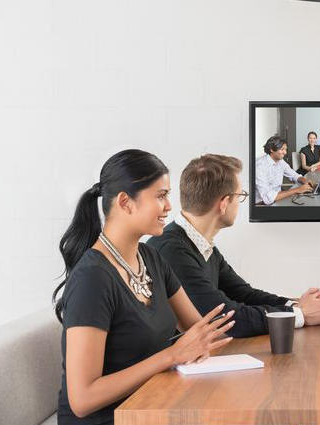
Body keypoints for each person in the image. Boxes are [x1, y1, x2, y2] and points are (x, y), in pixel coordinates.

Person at [53, 149, 236, 424]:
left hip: (153, 405)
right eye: (161, 196)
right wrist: (171, 355)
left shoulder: (150, 258)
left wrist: (200, 345)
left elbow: (197, 328)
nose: (169, 206)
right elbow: (82, 400)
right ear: (125, 202)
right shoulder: (92, 279)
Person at [148, 154, 320, 338]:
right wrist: (301, 315)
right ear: (224, 203)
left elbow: (244, 294)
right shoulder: (172, 251)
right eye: (241, 196)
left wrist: (295, 305)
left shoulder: (199, 243)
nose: (241, 202)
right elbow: (227, 319)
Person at [254, 135, 313, 205]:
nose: (285, 152)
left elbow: (294, 175)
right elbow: (268, 198)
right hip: (262, 203)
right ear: (271, 149)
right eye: (282, 149)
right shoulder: (260, 166)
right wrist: (297, 190)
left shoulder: (280, 161)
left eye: (285, 149)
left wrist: (304, 180)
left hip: (278, 197)